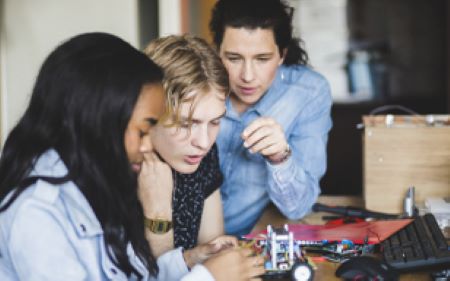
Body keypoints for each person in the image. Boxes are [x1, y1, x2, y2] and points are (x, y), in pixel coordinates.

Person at [0, 32, 264, 281]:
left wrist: (189, 260)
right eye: (143, 129)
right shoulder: (36, 210)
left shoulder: (95, 180)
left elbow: (133, 275)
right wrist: (207, 277)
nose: (148, 145)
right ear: (102, 121)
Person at [209, 0, 333, 235]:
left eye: (262, 59)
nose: (247, 76)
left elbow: (298, 208)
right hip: (177, 243)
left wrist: (280, 158)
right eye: (234, 58)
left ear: (282, 55)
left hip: (246, 244)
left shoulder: (308, 92)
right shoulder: (196, 85)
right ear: (217, 52)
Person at [139, 35, 229, 260]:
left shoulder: (202, 155)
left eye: (215, 122)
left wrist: (200, 257)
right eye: (187, 124)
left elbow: (211, 253)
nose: (204, 142)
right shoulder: (118, 167)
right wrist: (158, 209)